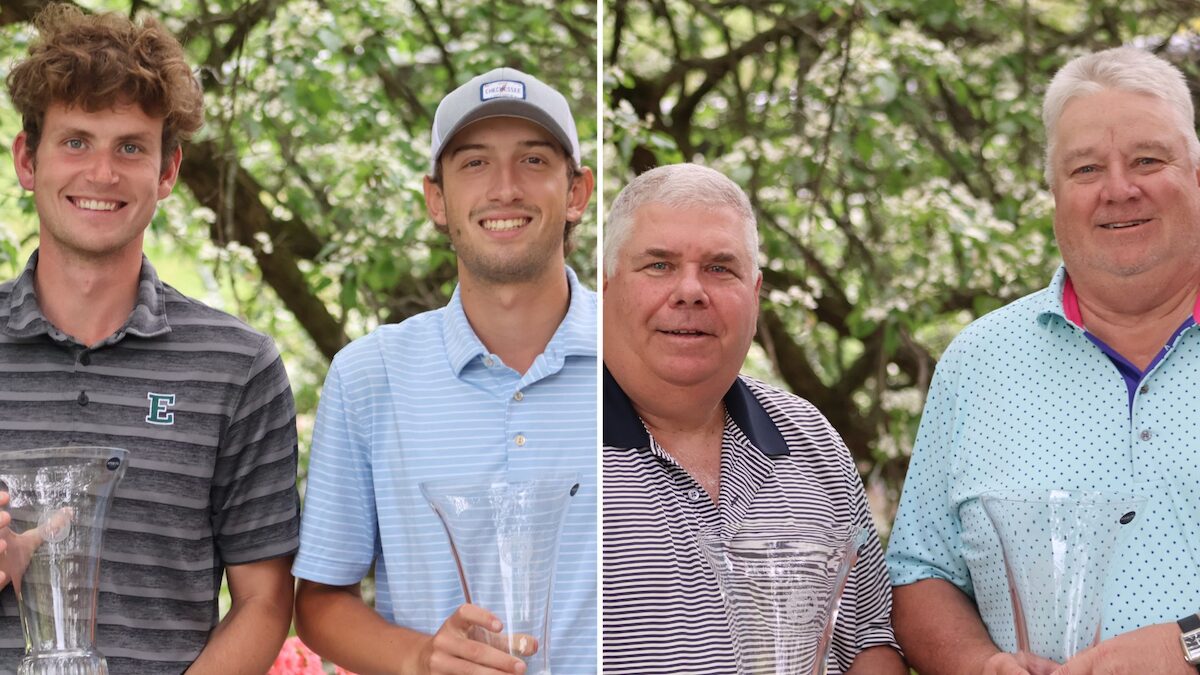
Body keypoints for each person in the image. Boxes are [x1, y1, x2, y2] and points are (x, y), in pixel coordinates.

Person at [0, 5, 300, 673]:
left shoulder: (238, 368)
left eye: (130, 147)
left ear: (167, 172)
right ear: (28, 159)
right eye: (76, 141)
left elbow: (265, 600)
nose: (101, 174)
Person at [886, 46, 1200, 675]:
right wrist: (980, 665)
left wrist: (1191, 645)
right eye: (1085, 169)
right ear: (1053, 192)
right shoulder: (977, 362)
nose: (1119, 189)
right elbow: (920, 574)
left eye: (1148, 159)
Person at [292, 67, 597, 674]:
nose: (505, 188)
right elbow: (320, 602)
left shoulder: (642, 360)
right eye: (474, 163)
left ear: (577, 192)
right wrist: (420, 659)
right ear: (436, 199)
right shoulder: (368, 376)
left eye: (534, 161)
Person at [601, 162, 906, 674]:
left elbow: (872, 642)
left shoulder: (812, 439)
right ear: (606, 286)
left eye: (720, 268)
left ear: (756, 293)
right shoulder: (552, 438)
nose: (690, 291)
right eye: (659, 265)